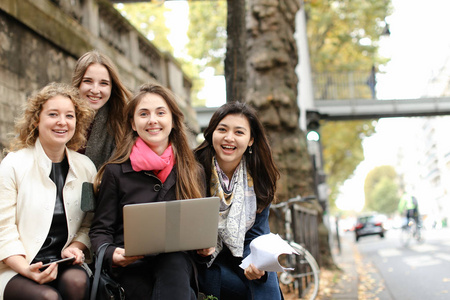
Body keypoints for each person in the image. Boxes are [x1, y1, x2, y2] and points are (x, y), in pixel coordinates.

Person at [89, 82, 214, 299]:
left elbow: (199, 230)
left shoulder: (193, 171)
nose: (153, 120)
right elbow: (101, 230)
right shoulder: (115, 171)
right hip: (131, 267)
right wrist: (112, 254)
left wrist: (205, 250)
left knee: (174, 262)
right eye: (144, 114)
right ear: (133, 124)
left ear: (173, 120)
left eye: (160, 113)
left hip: (178, 269)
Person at [0, 82, 97, 300]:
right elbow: (3, 230)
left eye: (69, 116)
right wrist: (26, 269)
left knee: (77, 282)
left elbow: (89, 221)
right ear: (37, 119)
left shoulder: (86, 167)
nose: (62, 122)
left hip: (63, 261)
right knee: (48, 298)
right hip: (17, 267)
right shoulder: (13, 165)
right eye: (53, 114)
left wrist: (75, 246)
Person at [194, 101, 283, 300]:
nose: (229, 138)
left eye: (239, 132)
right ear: (211, 133)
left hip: (243, 257)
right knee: (243, 293)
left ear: (251, 140)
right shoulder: (192, 169)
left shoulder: (260, 177)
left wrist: (258, 265)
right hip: (205, 261)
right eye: (222, 129)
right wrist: (199, 249)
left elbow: (257, 236)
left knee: (266, 283)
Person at [72, 50, 132, 169]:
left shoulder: (121, 125)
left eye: (103, 83)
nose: (95, 90)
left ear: (111, 88)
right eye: (88, 81)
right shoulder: (61, 118)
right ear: (78, 83)